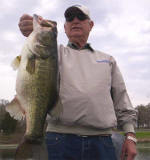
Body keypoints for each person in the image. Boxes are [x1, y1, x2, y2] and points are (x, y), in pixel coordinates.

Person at [18, 4, 137, 160]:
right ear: (65, 28)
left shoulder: (108, 60)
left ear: (91, 25)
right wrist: (30, 27)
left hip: (102, 141)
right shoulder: (53, 53)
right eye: (69, 18)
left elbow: (122, 99)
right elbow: (36, 53)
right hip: (58, 140)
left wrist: (130, 134)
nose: (75, 21)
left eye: (81, 17)